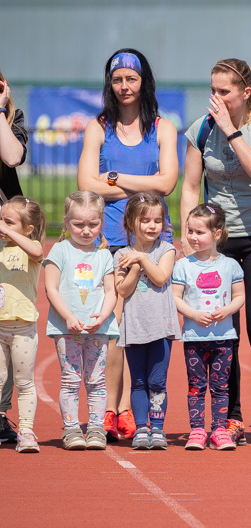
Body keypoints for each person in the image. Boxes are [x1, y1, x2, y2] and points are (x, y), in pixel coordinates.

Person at [181, 58, 251, 448]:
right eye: (213, 90)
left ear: (245, 92)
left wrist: (232, 131)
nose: (217, 98)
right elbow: (191, 186)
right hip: (219, 242)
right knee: (226, 334)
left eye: (224, 91)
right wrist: (188, 234)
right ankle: (233, 418)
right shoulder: (201, 129)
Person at [78, 48, 179, 443]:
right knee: (115, 328)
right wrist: (145, 178)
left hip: (152, 240)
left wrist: (116, 177)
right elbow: (87, 183)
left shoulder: (163, 129)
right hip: (110, 240)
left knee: (152, 325)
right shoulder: (97, 127)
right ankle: (113, 409)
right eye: (118, 79)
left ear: (143, 82)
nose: (124, 86)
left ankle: (142, 408)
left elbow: (167, 183)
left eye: (131, 79)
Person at [43, 192, 119, 450]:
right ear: (66, 222)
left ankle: (96, 429)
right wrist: (68, 317)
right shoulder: (60, 250)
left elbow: (111, 291)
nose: (86, 231)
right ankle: (72, 429)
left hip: (97, 329)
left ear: (101, 223)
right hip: (67, 329)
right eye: (78, 225)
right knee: (70, 380)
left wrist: (104, 315)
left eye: (93, 225)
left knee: (96, 381)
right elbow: (51, 288)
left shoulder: (103, 254)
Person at [172, 203, 245, 451]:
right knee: (196, 385)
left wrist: (227, 310)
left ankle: (220, 430)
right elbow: (176, 297)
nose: (193, 237)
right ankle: (196, 430)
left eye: (199, 232)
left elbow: (239, 296)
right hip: (194, 337)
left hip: (223, 338)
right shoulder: (182, 265)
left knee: (220, 386)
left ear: (217, 234)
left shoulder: (231, 265)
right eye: (189, 231)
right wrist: (193, 314)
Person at [114, 193, 180, 450]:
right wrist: (132, 266)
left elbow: (161, 277)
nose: (152, 226)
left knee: (157, 382)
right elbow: (123, 290)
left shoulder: (166, 250)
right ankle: (141, 427)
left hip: (161, 327)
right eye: (145, 221)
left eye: (157, 220)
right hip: (134, 328)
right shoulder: (122, 255)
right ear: (131, 223)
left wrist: (141, 259)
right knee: (139, 381)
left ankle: (158, 428)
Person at [0, 196, 46, 453]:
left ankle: (26, 431)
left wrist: (8, 232)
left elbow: (38, 252)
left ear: (28, 229)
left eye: (9, 222)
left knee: (24, 381)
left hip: (22, 328)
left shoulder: (31, 248)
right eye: (1, 220)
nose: (2, 226)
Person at [0, 70, 29, 444]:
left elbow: (12, 156)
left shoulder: (13, 120)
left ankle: (0, 413)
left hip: (5, 234)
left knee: (4, 326)